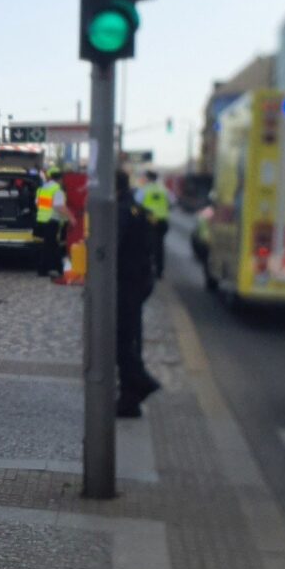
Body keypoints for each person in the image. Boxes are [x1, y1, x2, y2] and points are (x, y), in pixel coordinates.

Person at [117, 169, 162, 417]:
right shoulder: (136, 208)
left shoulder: (123, 211)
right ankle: (130, 398)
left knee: (121, 341)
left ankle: (140, 384)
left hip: (127, 283)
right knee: (129, 338)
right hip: (140, 280)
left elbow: (112, 247)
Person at [33, 167, 71, 278]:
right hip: (52, 221)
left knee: (48, 246)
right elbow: (60, 207)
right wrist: (71, 218)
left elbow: (37, 203)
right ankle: (58, 269)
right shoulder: (57, 189)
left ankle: (45, 269)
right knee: (51, 246)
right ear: (60, 178)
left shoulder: (42, 188)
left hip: (41, 220)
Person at [136, 169, 171, 279]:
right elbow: (171, 202)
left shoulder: (144, 190)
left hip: (149, 221)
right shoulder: (164, 190)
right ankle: (159, 271)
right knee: (159, 246)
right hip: (162, 222)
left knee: (147, 246)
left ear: (147, 178)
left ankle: (148, 270)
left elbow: (137, 202)